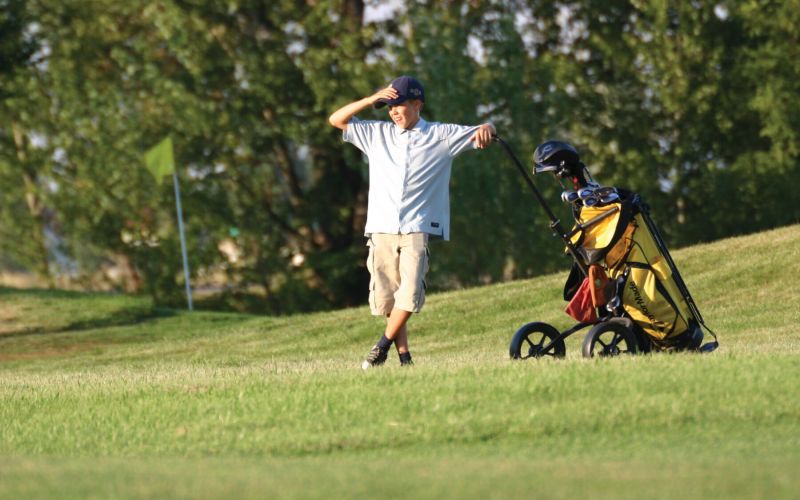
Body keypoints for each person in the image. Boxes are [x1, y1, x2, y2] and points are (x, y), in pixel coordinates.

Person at [328, 75, 496, 369]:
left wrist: (488, 128)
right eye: (389, 107)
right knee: (388, 298)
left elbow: (484, 130)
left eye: (399, 105)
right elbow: (336, 119)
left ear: (417, 104)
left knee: (410, 291)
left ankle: (380, 348)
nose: (393, 112)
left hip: (418, 226)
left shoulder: (441, 134)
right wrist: (371, 99)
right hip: (381, 226)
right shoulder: (376, 133)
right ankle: (404, 357)